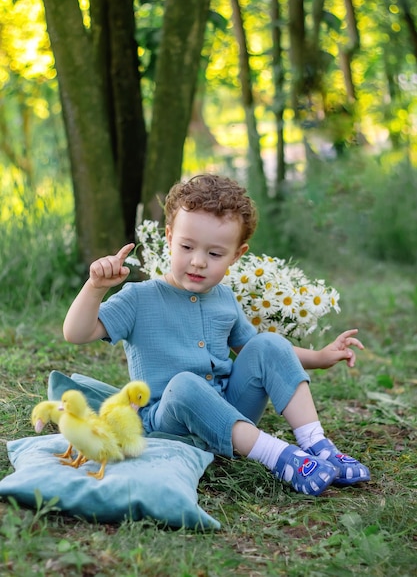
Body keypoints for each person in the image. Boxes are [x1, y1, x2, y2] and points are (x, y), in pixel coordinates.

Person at [60, 174, 370, 496]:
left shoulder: (224, 298)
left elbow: (262, 354)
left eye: (215, 254)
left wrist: (319, 357)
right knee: (184, 383)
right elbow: (76, 332)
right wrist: (95, 288)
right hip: (171, 420)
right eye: (187, 246)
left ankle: (316, 444)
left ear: (236, 255)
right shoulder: (140, 298)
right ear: (169, 237)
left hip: (230, 410)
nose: (198, 261)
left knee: (268, 342)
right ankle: (279, 456)